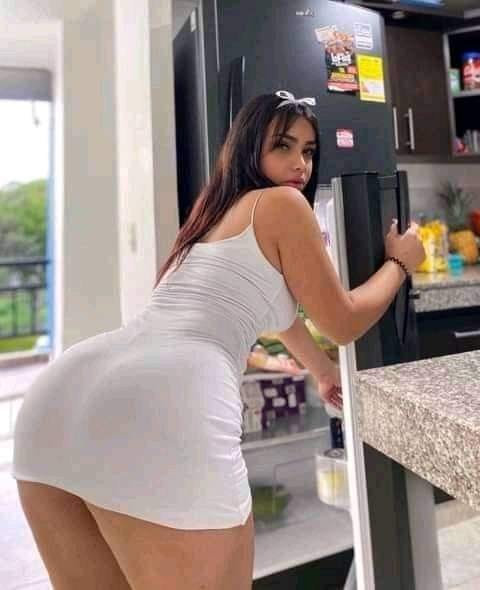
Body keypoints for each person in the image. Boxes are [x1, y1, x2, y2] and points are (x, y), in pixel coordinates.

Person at [11, 91, 425, 590]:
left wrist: (320, 370)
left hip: (57, 403)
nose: (300, 164)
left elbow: (278, 316)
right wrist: (399, 263)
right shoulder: (283, 204)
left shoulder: (210, 216)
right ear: (250, 148)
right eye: (283, 146)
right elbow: (342, 321)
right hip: (163, 400)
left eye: (309, 151)